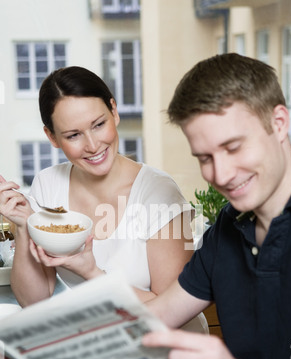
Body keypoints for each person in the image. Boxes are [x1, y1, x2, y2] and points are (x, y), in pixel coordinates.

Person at [141, 53, 291, 359]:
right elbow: (154, 318)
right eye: (205, 158)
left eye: (233, 147)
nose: (221, 175)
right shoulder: (228, 227)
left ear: (279, 123)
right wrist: (47, 353)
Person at [0, 66, 194, 308]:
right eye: (73, 135)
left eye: (99, 124)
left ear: (114, 111)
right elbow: (34, 300)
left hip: (163, 340)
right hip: (97, 337)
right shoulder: (48, 185)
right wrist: (23, 226)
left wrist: (92, 272)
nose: (92, 145)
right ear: (52, 137)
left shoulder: (159, 193)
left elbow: (175, 308)